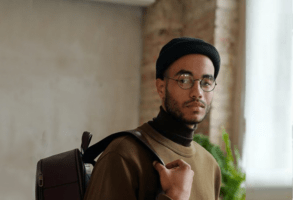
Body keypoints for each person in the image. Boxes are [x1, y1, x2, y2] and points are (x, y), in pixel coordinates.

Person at [84, 37, 221, 200]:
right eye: (184, 80)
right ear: (161, 88)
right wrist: (175, 196)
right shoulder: (123, 154)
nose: (197, 92)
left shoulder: (211, 166)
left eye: (206, 83)